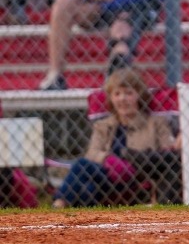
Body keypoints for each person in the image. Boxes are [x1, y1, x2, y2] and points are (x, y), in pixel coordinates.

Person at [52, 68, 181, 208]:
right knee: (86, 185)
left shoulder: (156, 123)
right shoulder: (103, 125)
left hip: (139, 179)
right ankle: (68, 210)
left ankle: (58, 204)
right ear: (111, 98)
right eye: (117, 94)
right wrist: (109, 160)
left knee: (81, 166)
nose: (122, 98)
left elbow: (168, 152)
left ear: (139, 95)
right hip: (108, 178)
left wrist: (138, 162)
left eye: (128, 93)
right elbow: (92, 153)